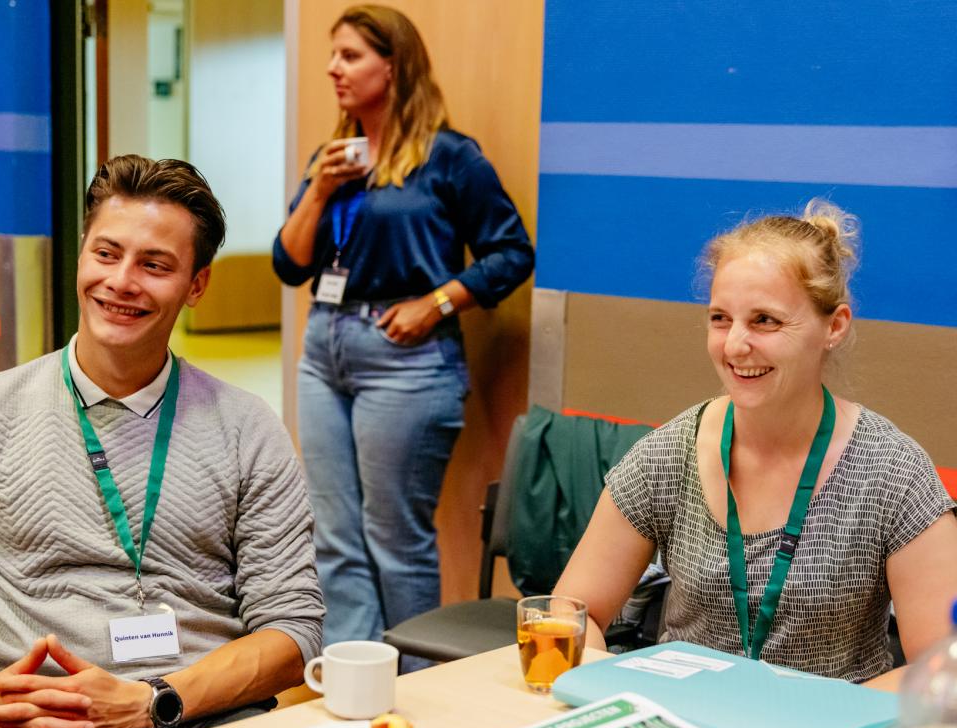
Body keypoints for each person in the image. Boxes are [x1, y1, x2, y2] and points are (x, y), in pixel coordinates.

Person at [0, 155, 324, 728]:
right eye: (106, 253)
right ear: (81, 256)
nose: (121, 281)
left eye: (155, 264)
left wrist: (154, 703)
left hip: (215, 727)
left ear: (196, 285)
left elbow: (293, 630)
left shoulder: (248, 429)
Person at [554, 200, 957, 683]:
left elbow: (941, 671)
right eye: (721, 318)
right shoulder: (669, 455)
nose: (734, 345)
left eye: (765, 320)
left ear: (834, 325)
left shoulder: (893, 473)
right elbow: (569, 613)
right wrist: (616, 695)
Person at [272, 4, 534, 665]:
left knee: (394, 538)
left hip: (405, 359)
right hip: (324, 346)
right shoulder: (333, 160)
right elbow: (289, 262)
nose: (334, 68)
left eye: (350, 55)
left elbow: (511, 252)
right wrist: (319, 189)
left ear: (393, 66)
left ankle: (418, 682)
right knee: (334, 535)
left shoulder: (450, 158)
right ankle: (352, 673)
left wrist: (437, 303)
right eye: (331, 55)